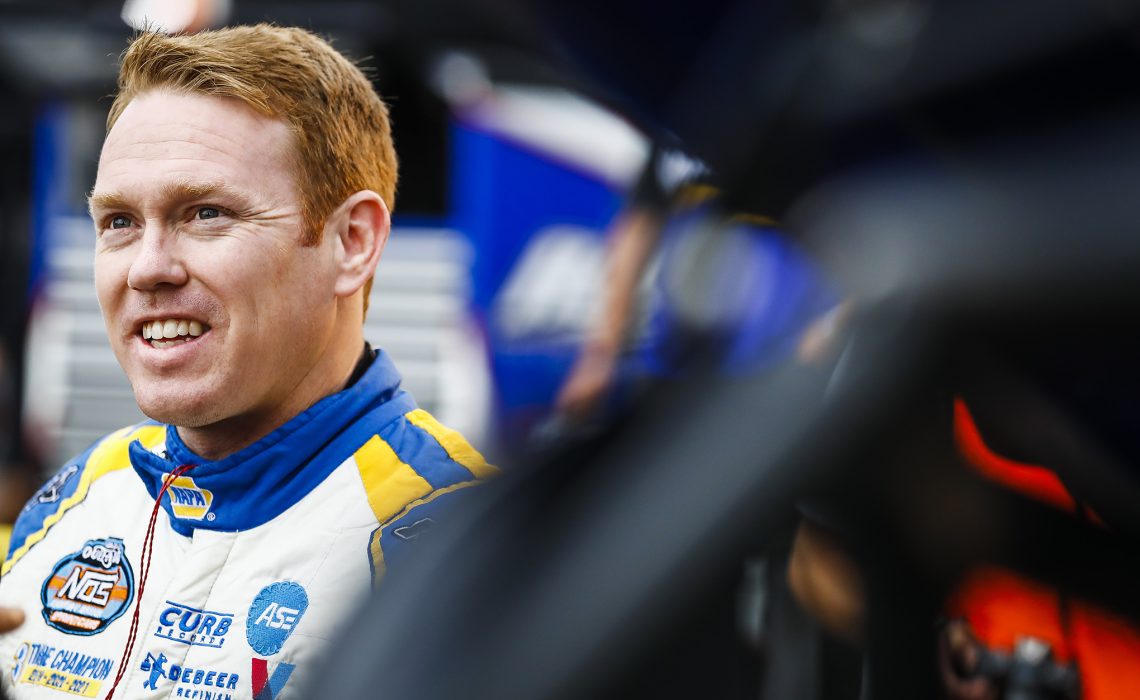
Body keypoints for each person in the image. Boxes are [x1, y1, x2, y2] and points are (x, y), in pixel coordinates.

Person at [0, 25, 495, 700]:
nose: (147, 269)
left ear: (352, 242)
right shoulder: (82, 494)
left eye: (205, 213)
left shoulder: (454, 551)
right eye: (118, 222)